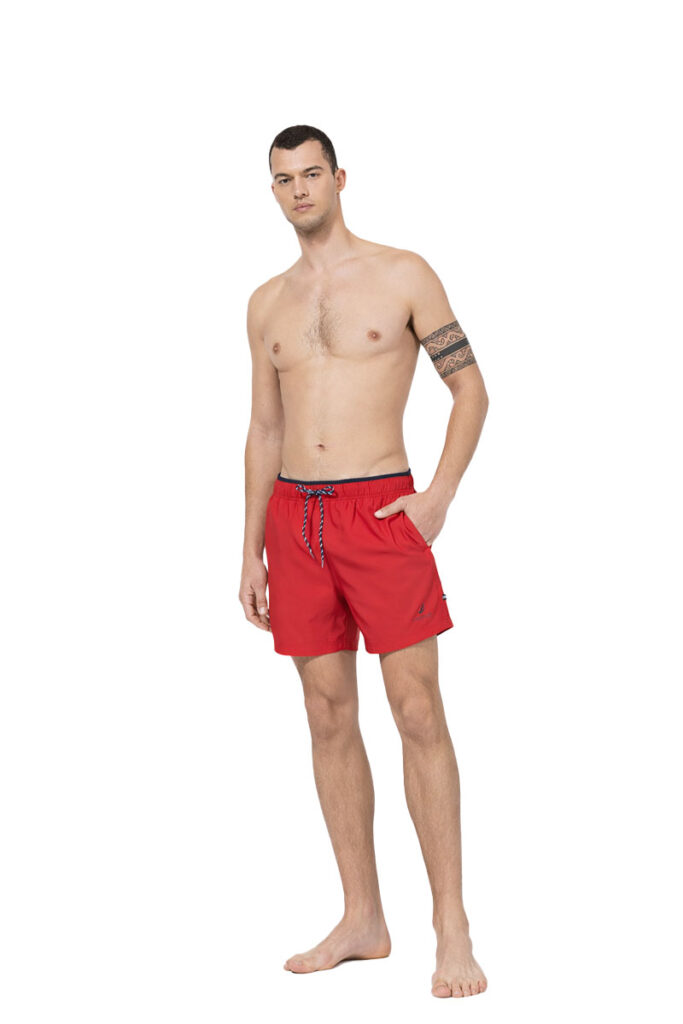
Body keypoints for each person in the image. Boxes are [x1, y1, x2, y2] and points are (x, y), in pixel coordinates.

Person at [240, 124, 489, 999]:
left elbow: (470, 389)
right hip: (294, 520)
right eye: (283, 179)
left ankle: (450, 926)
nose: (299, 190)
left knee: (416, 709)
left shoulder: (403, 273)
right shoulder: (265, 303)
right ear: (273, 191)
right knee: (325, 714)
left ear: (340, 178)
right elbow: (263, 428)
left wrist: (437, 497)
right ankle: (361, 918)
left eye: (311, 174)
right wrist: (249, 549)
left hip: (380, 512)